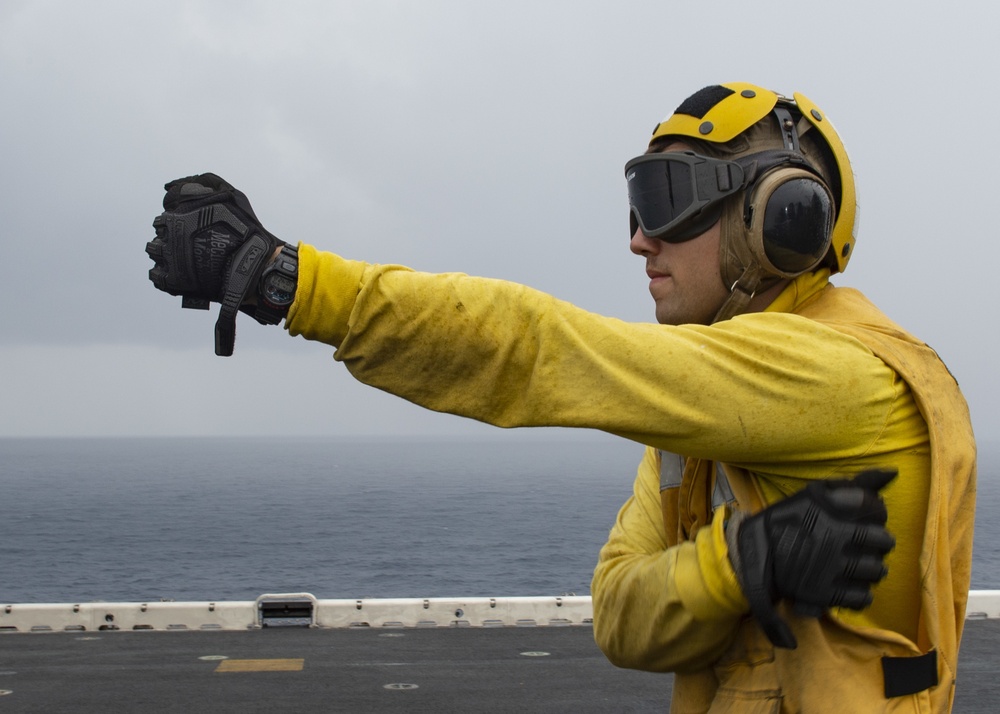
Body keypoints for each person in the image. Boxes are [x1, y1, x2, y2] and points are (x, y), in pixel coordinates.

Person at [145, 82, 976, 712]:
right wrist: (739, 565)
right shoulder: (709, 408)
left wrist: (291, 284)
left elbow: (536, 349)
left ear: (780, 219)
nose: (639, 238)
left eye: (671, 201)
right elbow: (620, 615)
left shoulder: (837, 374)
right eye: (638, 202)